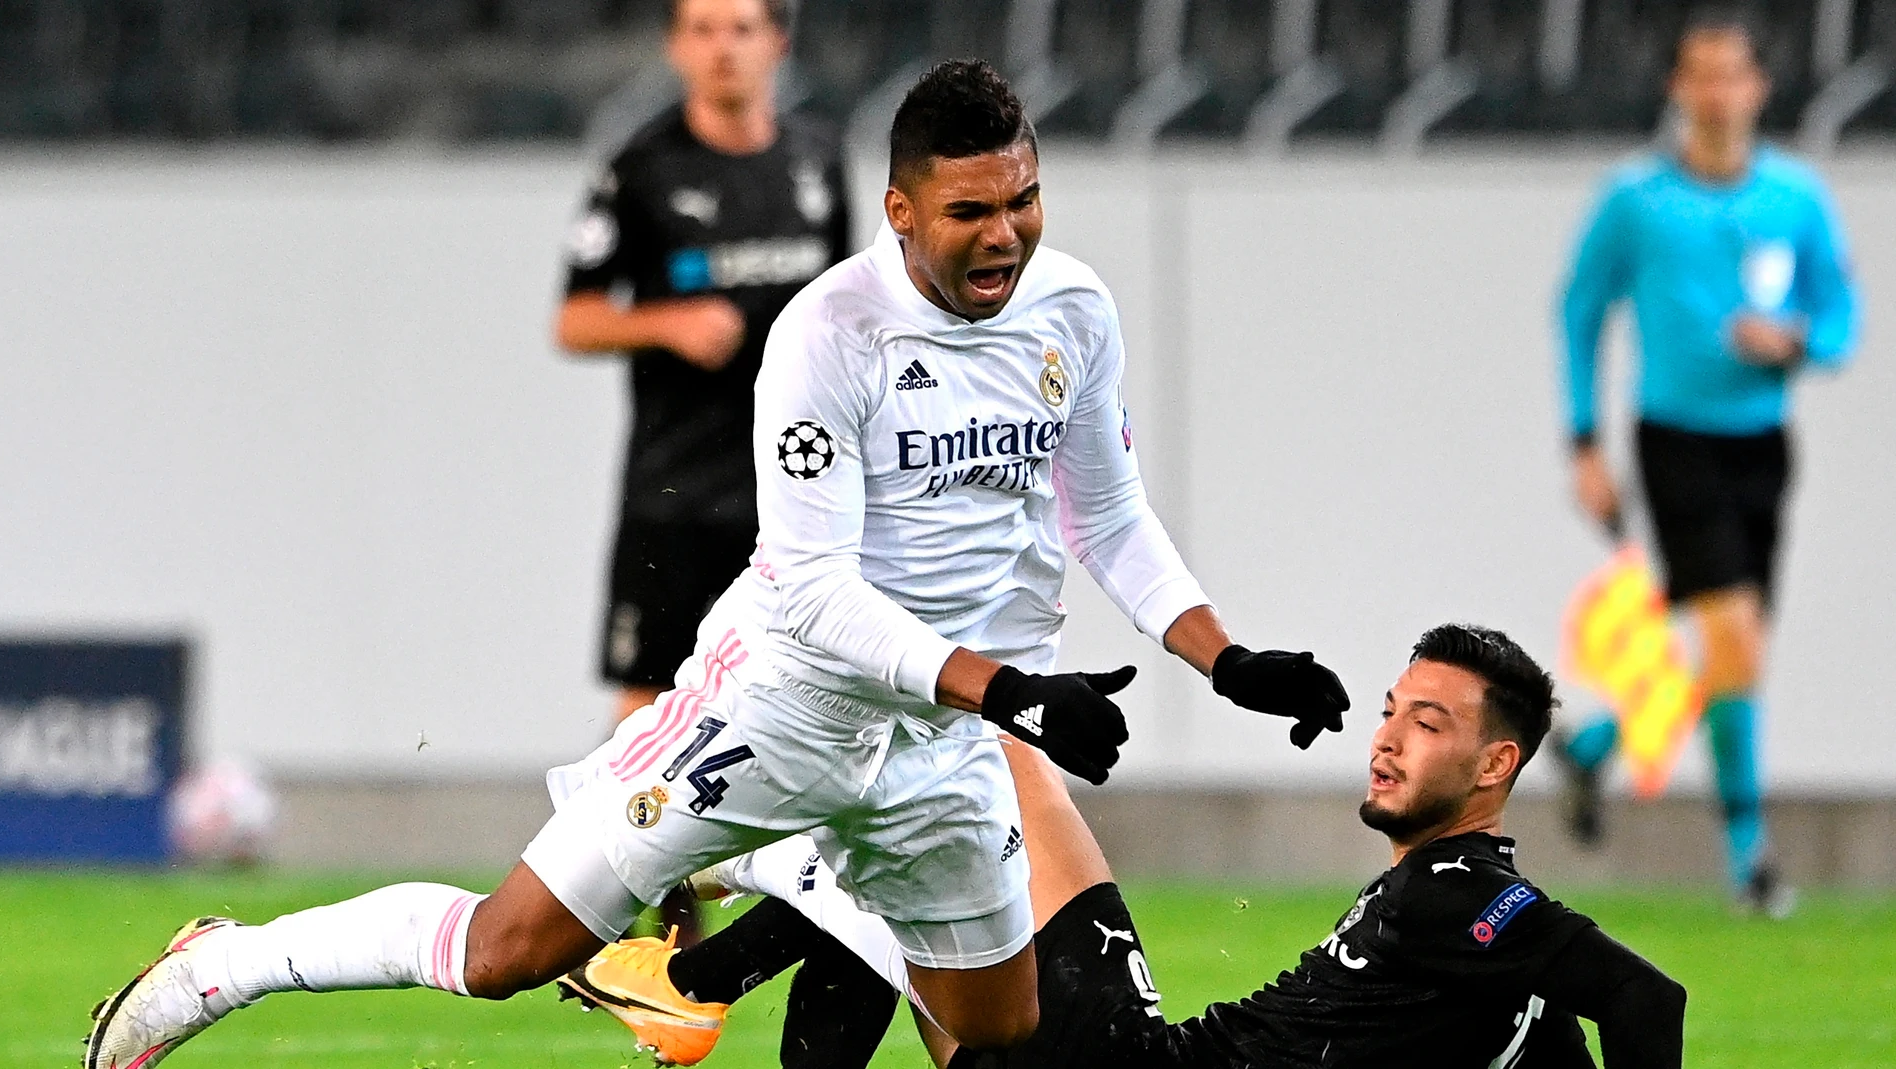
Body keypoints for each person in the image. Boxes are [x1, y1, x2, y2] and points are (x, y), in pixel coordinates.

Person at [82, 60, 1350, 1069]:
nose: (1004, 235)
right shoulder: (827, 337)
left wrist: (1225, 656)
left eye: (1022, 200)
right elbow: (814, 592)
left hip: (947, 740)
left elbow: (1109, 514)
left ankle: (800, 860)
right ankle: (223, 963)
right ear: (900, 209)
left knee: (1005, 1028)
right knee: (508, 947)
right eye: (971, 211)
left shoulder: (1072, 310)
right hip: (790, 699)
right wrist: (1012, 692)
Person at [563, 624, 1687, 1069]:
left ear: (1496, 768)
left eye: (1427, 724)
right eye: (1391, 708)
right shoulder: (1484, 948)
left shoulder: (1457, 897)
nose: (1386, 737)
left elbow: (1649, 1003)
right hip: (1123, 1056)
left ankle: (694, 970)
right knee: (928, 876)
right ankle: (694, 975)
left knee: (978, 764)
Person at [1552, 5, 1858, 915]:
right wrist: (1582, 438)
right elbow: (1577, 312)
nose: (1718, 93)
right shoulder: (1637, 200)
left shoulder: (1793, 200)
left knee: (1737, 652)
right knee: (1732, 639)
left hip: (1761, 443)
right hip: (1675, 437)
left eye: (1734, 75)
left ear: (1759, 88)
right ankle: (1750, 858)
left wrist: (1797, 340)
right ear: (1678, 89)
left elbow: (1842, 316)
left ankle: (1598, 743)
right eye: (1701, 75)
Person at [558, 0, 850, 948]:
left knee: (816, 687)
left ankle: (803, 903)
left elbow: (849, 308)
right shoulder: (639, 169)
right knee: (649, 701)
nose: (723, 47)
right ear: (677, 47)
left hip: (792, 494)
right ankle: (644, 932)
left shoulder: (817, 160)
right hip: (672, 493)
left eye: (742, 27)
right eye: (704, 28)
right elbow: (577, 318)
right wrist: (666, 323)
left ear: (779, 43)